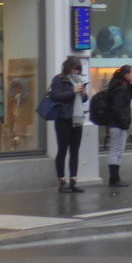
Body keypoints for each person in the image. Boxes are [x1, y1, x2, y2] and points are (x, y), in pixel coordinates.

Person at [48, 57, 88, 193]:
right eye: (74, 69)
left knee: (75, 150)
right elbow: (55, 96)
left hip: (77, 119)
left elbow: (83, 99)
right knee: (62, 150)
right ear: (68, 67)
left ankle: (73, 181)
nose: (76, 72)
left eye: (78, 69)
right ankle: (62, 181)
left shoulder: (78, 80)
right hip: (63, 119)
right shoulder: (59, 79)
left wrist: (83, 94)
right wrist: (72, 91)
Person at [105, 65, 132, 188]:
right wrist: (124, 121)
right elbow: (118, 107)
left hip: (116, 123)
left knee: (117, 150)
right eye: (131, 73)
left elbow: (130, 96)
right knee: (116, 150)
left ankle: (115, 177)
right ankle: (114, 178)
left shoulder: (119, 86)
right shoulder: (120, 88)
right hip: (118, 123)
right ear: (126, 75)